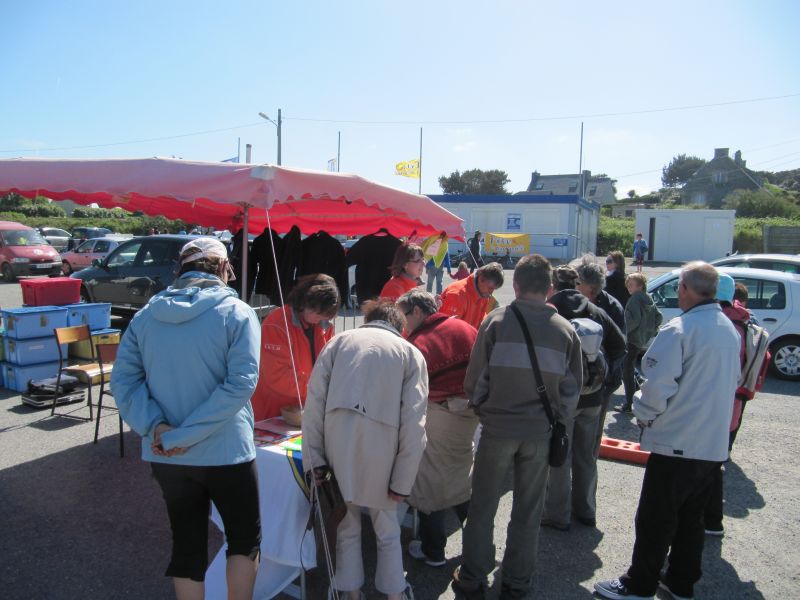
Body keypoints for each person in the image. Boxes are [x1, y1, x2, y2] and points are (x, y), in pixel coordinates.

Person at [111, 237, 261, 600]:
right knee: (243, 540)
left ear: (182, 268)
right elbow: (241, 383)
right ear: (224, 269)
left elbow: (123, 381)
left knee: (187, 544)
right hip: (226, 453)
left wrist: (159, 429)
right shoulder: (238, 312)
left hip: (166, 453)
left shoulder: (146, 316)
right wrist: (182, 435)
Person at [594, 261, 740, 600]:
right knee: (690, 521)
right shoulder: (727, 329)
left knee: (655, 519)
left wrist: (643, 416)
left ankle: (639, 584)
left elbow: (657, 386)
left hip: (677, 443)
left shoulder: (681, 330)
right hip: (711, 445)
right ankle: (680, 581)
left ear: (686, 289)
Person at [452, 254, 583, 600]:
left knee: (482, 506)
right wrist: (554, 420)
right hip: (540, 433)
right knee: (528, 510)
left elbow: (475, 380)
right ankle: (516, 582)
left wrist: (484, 409)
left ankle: (472, 577)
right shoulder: (565, 330)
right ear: (550, 288)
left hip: (497, 429)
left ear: (517, 284)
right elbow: (572, 392)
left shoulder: (495, 321)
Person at [302, 300, 428, 600]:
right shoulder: (410, 353)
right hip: (384, 457)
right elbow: (415, 424)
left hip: (337, 450)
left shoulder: (338, 343)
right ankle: (395, 594)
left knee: (346, 525)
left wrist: (314, 460)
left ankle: (350, 592)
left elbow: (313, 405)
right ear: (399, 325)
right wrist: (403, 480)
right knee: (387, 532)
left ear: (367, 319)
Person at [397, 289, 479, 568]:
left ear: (418, 311)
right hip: (470, 411)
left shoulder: (419, 342)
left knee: (431, 484)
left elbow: (408, 389)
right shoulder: (464, 326)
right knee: (460, 473)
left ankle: (434, 551)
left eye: (404, 315)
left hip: (440, 412)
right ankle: (479, 543)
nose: (404, 322)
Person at [542, 266, 625, 532]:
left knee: (559, 456)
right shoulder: (595, 311)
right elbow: (620, 345)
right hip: (593, 397)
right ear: (577, 285)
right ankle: (586, 510)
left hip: (561, 397)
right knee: (586, 456)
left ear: (552, 286)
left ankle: (557, 514)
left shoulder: (549, 312)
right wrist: (605, 381)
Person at [249, 273, 340, 421]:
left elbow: (330, 365)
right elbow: (277, 376)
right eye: (318, 313)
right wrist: (319, 387)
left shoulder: (324, 325)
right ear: (305, 303)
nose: (320, 318)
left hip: (305, 408)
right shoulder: (277, 324)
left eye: (325, 315)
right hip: (273, 412)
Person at [620, 272, 663, 413]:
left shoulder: (634, 300)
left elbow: (633, 320)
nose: (628, 288)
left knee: (626, 368)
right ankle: (637, 388)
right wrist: (650, 330)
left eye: (631, 285)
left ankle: (629, 403)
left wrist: (625, 332)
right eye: (627, 285)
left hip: (633, 339)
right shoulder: (648, 298)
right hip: (643, 339)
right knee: (630, 365)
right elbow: (659, 317)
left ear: (640, 285)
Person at [439, 262, 504, 331]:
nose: (491, 293)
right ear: (481, 279)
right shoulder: (457, 295)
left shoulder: (483, 294)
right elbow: (447, 331)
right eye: (490, 288)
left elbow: (481, 325)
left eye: (494, 289)